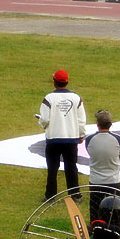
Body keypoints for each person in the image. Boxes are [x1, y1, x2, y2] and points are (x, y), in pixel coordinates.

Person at [38, 69, 86, 203]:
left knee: (52, 168)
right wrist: (81, 135)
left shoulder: (49, 98)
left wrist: (42, 124)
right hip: (71, 139)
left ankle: (50, 196)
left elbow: (45, 119)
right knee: (71, 167)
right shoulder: (76, 98)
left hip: (53, 139)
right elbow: (81, 120)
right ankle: (75, 195)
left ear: (54, 82)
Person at [85, 110, 120, 224]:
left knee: (95, 210)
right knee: (115, 209)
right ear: (111, 123)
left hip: (96, 180)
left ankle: (94, 230)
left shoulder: (90, 139)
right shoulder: (118, 139)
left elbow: (91, 153)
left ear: (97, 123)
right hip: (113, 180)